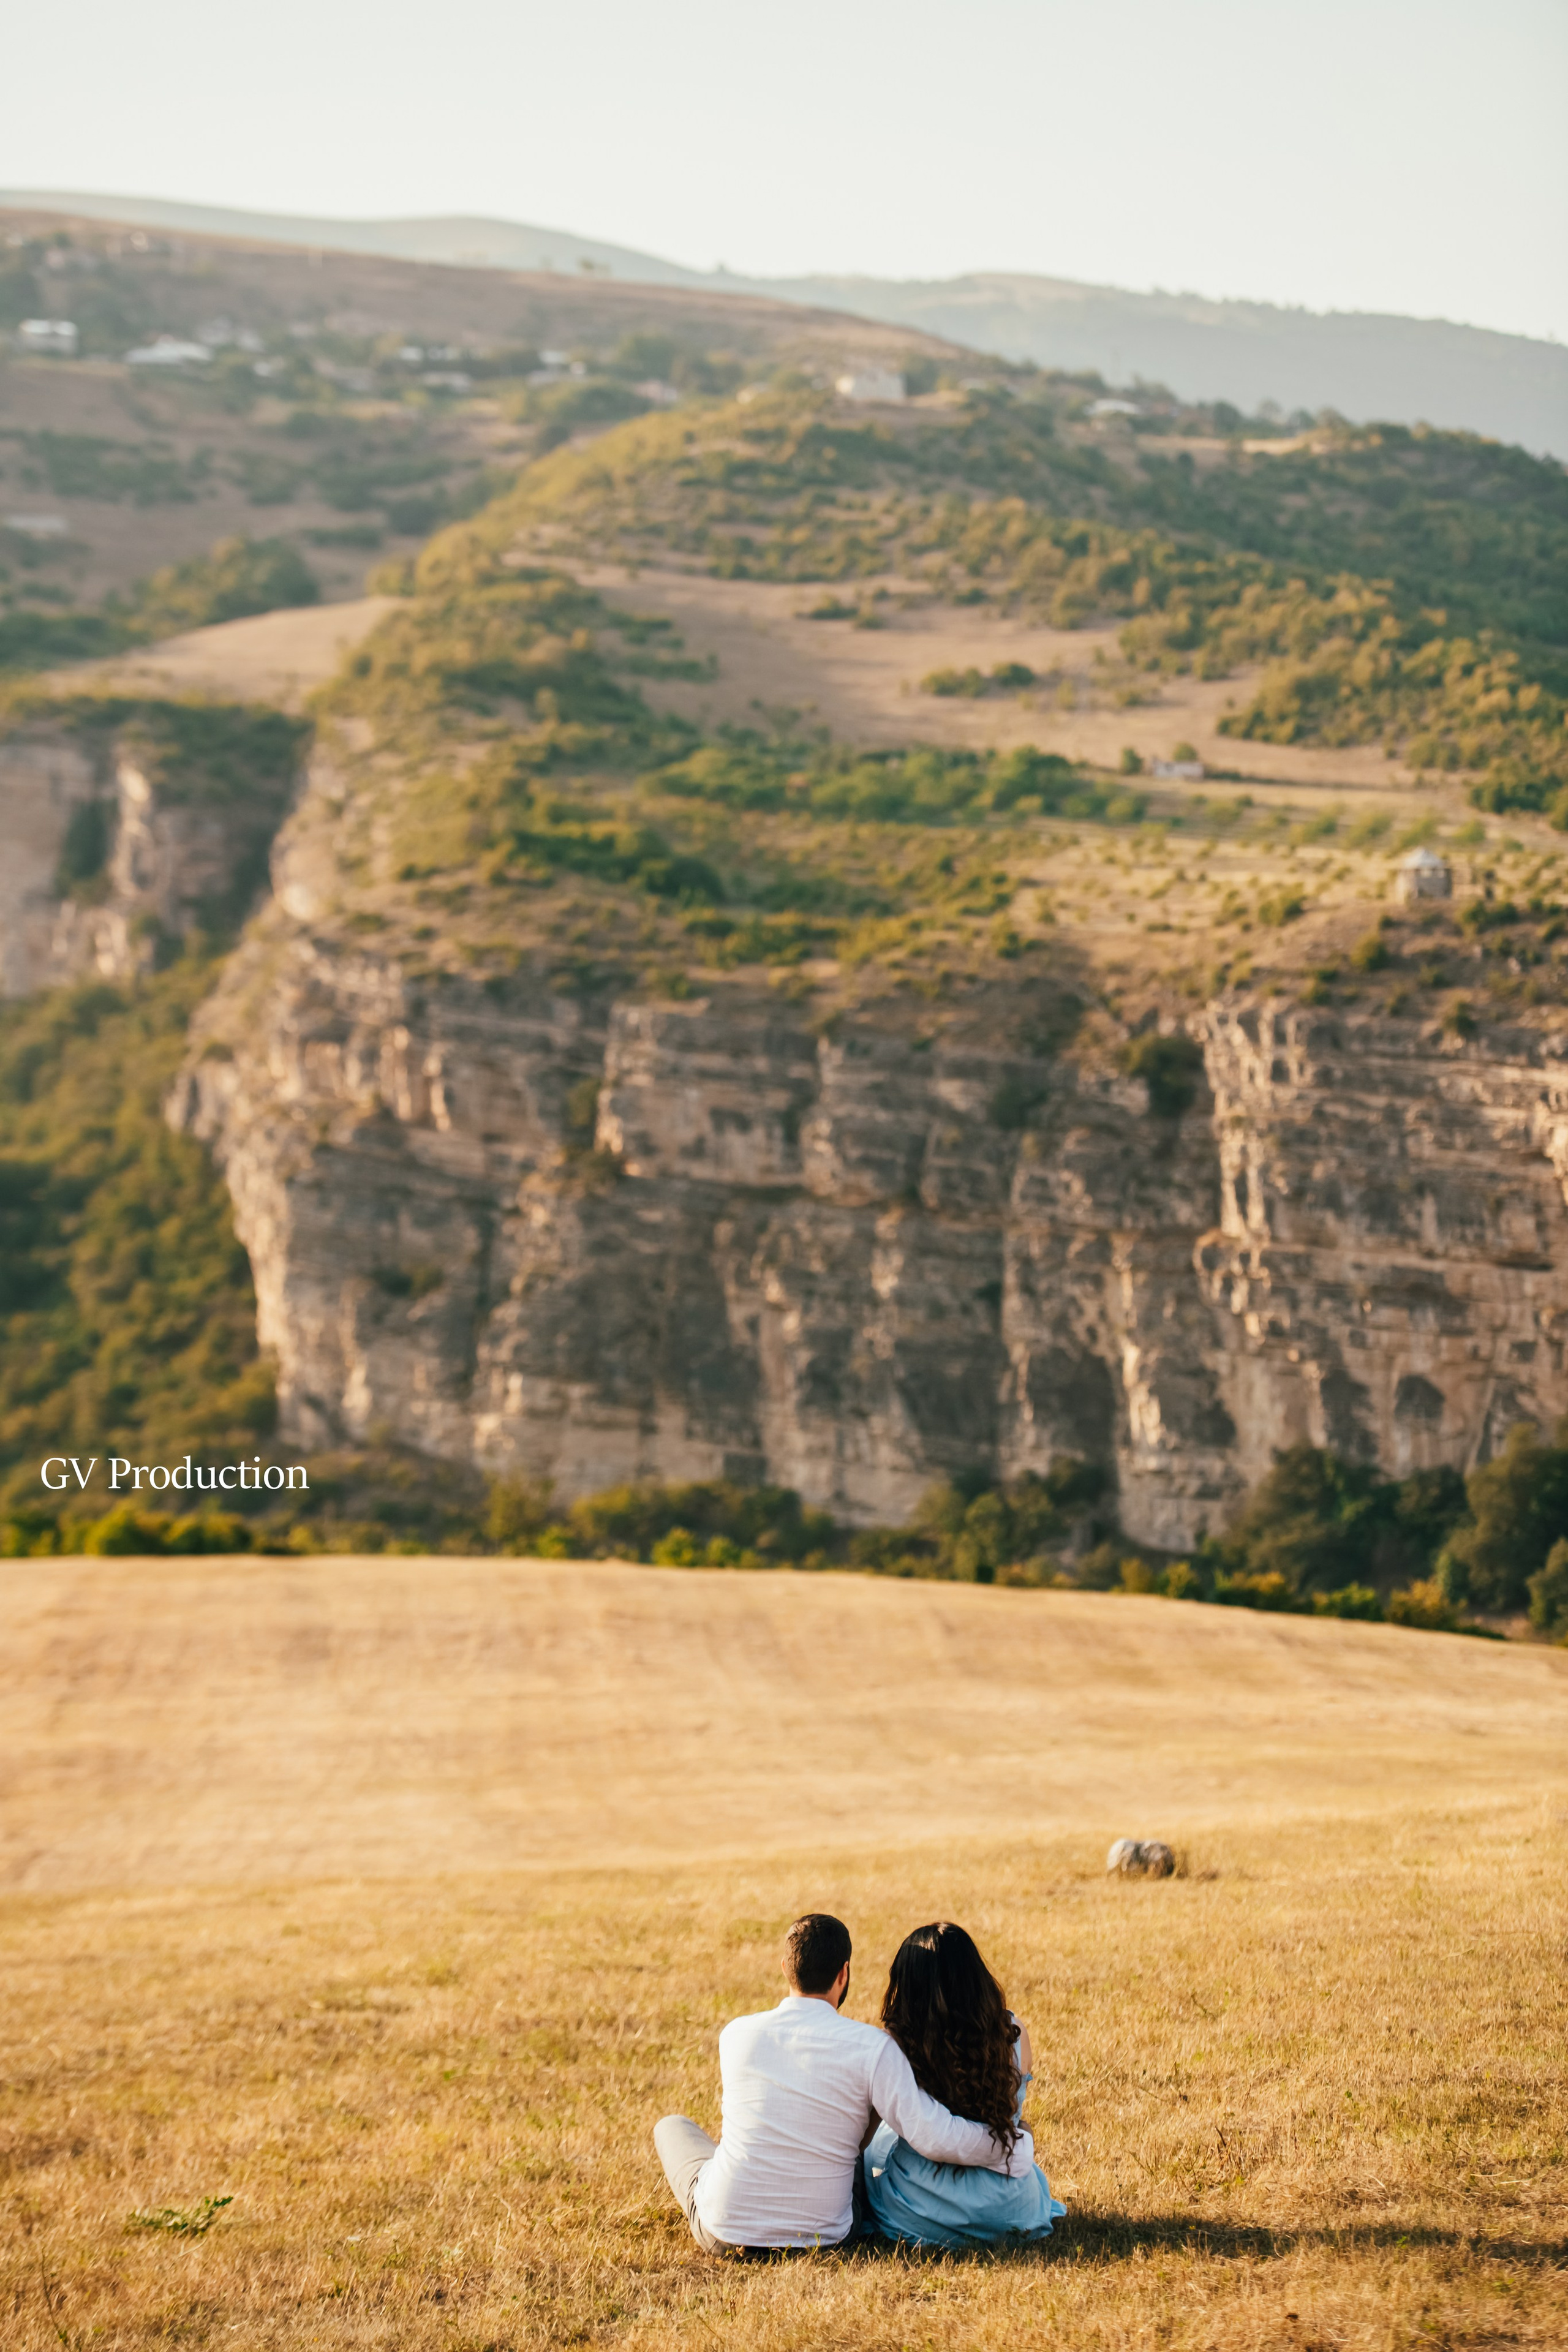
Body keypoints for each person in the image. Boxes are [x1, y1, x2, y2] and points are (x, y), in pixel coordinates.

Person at [654, 1912, 1039, 2253]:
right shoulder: (874, 2047)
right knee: (856, 2141)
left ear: (785, 1967)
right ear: (844, 1973)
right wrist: (1013, 2145)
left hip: (727, 2231)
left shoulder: (735, 2033)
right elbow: (932, 2133)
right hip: (830, 2234)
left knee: (672, 2127)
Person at [863, 1920, 1065, 2250]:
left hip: (922, 2205)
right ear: (976, 1979)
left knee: (879, 2144)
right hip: (1011, 2204)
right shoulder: (1013, 2032)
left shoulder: (895, 2045)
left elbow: (862, 2137)